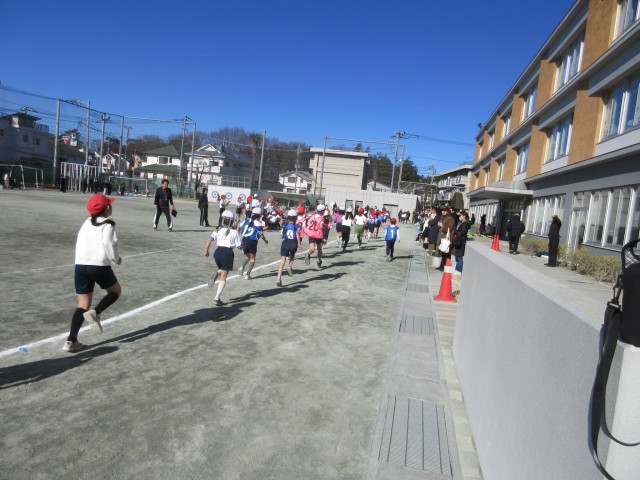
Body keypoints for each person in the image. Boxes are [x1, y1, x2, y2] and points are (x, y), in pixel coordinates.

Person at [63, 194, 122, 352]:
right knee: (116, 291)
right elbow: (108, 244)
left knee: (82, 305)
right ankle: (96, 312)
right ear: (107, 208)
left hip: (80, 266)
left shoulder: (86, 222)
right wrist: (116, 259)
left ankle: (71, 340)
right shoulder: (108, 224)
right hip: (99, 266)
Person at [204, 210, 242, 306]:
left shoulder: (217, 230)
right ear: (231, 221)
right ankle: (217, 298)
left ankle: (217, 273)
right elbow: (239, 246)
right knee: (224, 277)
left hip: (217, 253)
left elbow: (209, 240)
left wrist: (206, 251)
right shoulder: (234, 232)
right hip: (227, 253)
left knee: (223, 269)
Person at [238, 207, 268, 279]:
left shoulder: (247, 221)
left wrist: (238, 234)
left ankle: (242, 266)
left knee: (247, 257)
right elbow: (261, 235)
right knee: (252, 259)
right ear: (260, 215)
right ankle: (247, 275)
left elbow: (239, 226)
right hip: (252, 241)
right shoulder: (258, 223)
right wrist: (265, 241)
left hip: (244, 240)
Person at [276, 209, 302, 287]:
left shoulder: (285, 224)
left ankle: (278, 278)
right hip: (293, 242)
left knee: (282, 261)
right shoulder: (297, 226)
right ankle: (289, 266)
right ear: (295, 217)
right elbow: (297, 234)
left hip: (285, 242)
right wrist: (299, 244)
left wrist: (283, 220)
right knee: (292, 256)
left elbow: (281, 224)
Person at [303, 204, 326, 268]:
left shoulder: (312, 216)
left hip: (312, 234)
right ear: (322, 211)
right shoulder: (321, 218)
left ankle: (316, 259)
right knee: (319, 250)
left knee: (313, 249)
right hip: (317, 234)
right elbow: (321, 226)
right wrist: (324, 226)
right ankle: (317, 259)